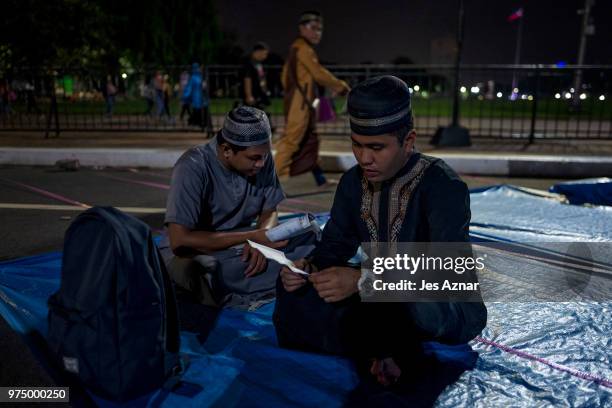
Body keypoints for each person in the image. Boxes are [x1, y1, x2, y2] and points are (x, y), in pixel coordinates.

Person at [274, 76, 487, 390]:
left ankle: (382, 347)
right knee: (295, 297)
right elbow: (333, 246)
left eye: (376, 147)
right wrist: (308, 268)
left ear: (408, 141)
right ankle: (384, 351)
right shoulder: (351, 183)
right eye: (357, 145)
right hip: (376, 297)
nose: (364, 158)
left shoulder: (442, 186)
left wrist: (363, 279)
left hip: (436, 299)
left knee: (409, 310)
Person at [160, 106, 315, 308]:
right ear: (226, 150)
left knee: (312, 235)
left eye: (265, 156)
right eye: (254, 158)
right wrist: (253, 238)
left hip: (242, 243)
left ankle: (280, 275)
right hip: (199, 250)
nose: (261, 164)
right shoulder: (192, 166)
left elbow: (269, 209)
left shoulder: (261, 158)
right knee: (205, 269)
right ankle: (287, 275)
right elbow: (180, 240)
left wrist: (264, 241)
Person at [274, 11, 350, 187]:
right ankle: (271, 181)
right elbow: (318, 73)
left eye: (320, 29)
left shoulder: (299, 48)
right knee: (292, 140)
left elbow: (285, 76)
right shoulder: (302, 49)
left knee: (310, 140)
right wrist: (341, 86)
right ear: (302, 28)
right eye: (314, 28)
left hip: (302, 102)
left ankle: (318, 179)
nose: (318, 33)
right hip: (300, 103)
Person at [241, 42, 271, 110]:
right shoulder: (248, 63)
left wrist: (265, 90)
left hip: (259, 94)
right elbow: (247, 79)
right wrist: (249, 95)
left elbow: (262, 78)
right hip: (253, 95)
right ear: (258, 52)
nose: (265, 56)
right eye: (264, 54)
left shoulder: (259, 63)